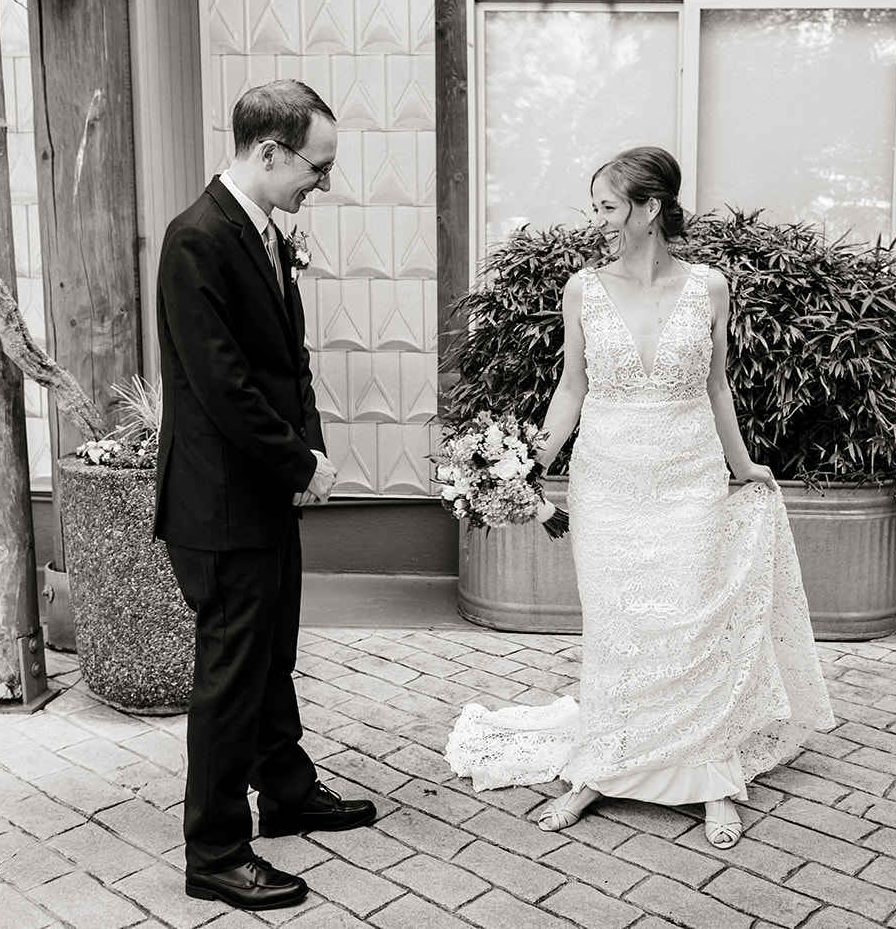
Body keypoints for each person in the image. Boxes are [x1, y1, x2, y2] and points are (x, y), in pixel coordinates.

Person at [445, 146, 835, 849]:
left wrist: (744, 465)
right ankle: (600, 768)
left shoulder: (711, 286)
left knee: (690, 623)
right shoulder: (584, 288)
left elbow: (717, 386)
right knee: (619, 630)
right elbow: (572, 387)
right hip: (609, 483)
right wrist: (522, 466)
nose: (595, 219)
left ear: (649, 207)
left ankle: (711, 775)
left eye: (606, 205)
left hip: (689, 480)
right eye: (595, 205)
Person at [154, 80, 376, 911]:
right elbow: (223, 385)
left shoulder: (261, 233)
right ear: (269, 151)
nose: (322, 182)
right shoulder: (196, 240)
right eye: (316, 168)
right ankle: (213, 849)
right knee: (231, 674)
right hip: (219, 502)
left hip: (265, 491)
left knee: (272, 652)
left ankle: (285, 789)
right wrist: (298, 464)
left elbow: (289, 361)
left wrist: (310, 447)